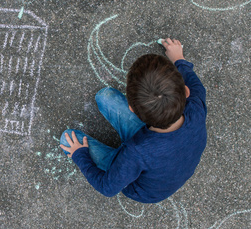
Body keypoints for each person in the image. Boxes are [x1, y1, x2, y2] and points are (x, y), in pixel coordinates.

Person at [60, 38, 207, 203]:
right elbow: (193, 82)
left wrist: (80, 156)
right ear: (186, 92)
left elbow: (107, 188)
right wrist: (179, 59)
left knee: (67, 138)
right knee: (105, 96)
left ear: (132, 110)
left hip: (143, 188)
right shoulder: (196, 104)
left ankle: (93, 153)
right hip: (169, 157)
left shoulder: (137, 151)